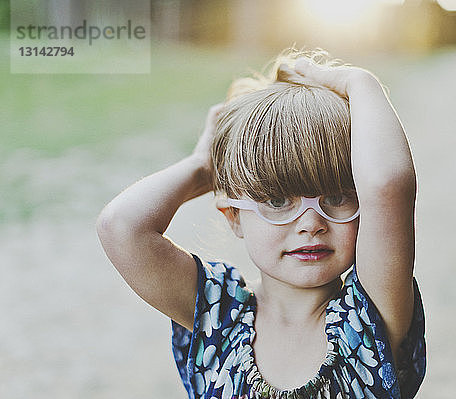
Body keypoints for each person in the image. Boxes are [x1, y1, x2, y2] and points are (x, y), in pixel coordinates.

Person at [97, 49, 426, 399]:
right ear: (234, 216)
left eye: (337, 197)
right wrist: (201, 166)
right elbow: (121, 227)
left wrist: (360, 83)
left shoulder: (370, 313)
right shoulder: (219, 317)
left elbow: (388, 186)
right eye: (278, 201)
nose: (312, 223)